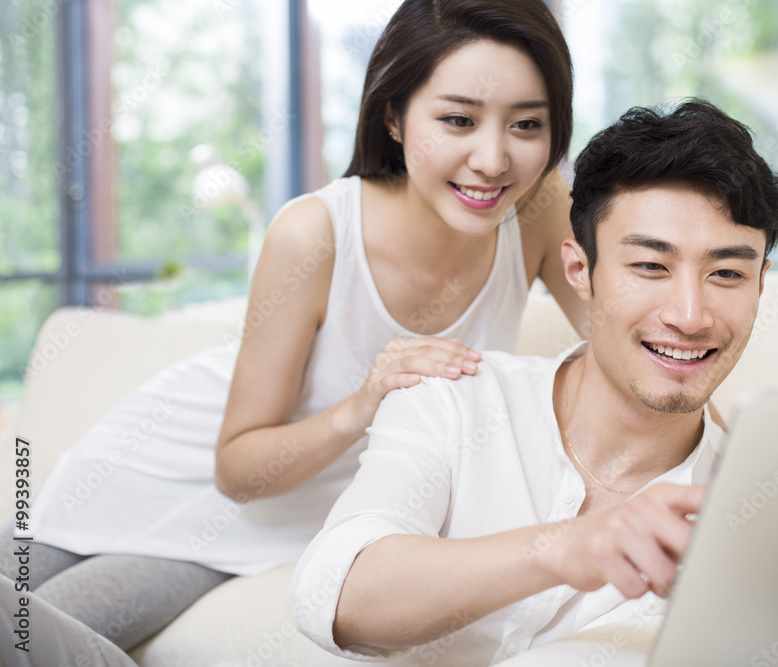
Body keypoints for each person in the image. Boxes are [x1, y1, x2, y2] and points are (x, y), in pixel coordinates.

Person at [291, 100, 778, 666]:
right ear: (579, 270)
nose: (690, 316)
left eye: (727, 272)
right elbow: (338, 593)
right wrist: (571, 546)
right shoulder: (453, 394)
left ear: (761, 283)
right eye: (650, 266)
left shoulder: (752, 515)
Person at [0, 0, 585, 651]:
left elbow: (622, 348)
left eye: (527, 124)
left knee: (29, 635)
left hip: (284, 526)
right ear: (392, 115)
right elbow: (236, 466)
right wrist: (366, 401)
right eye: (457, 119)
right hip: (173, 470)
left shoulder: (538, 207)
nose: (493, 159)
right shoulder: (316, 231)